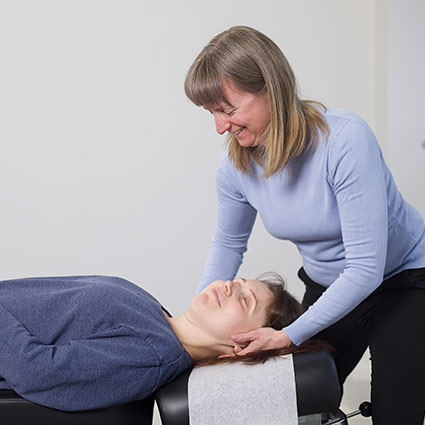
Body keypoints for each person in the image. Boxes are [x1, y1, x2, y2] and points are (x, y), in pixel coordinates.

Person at [184, 25, 425, 425]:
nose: (220, 127)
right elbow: (228, 245)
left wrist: (289, 334)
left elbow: (366, 268)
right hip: (327, 282)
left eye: (228, 109)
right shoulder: (236, 166)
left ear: (270, 90)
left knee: (395, 412)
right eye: (212, 113)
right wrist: (196, 322)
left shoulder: (345, 140)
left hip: (403, 280)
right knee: (290, 398)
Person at [0, 272, 312, 411]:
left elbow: (38, 371)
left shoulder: (153, 353)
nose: (230, 286)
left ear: (243, 346)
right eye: (238, 281)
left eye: (245, 301)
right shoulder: (154, 312)